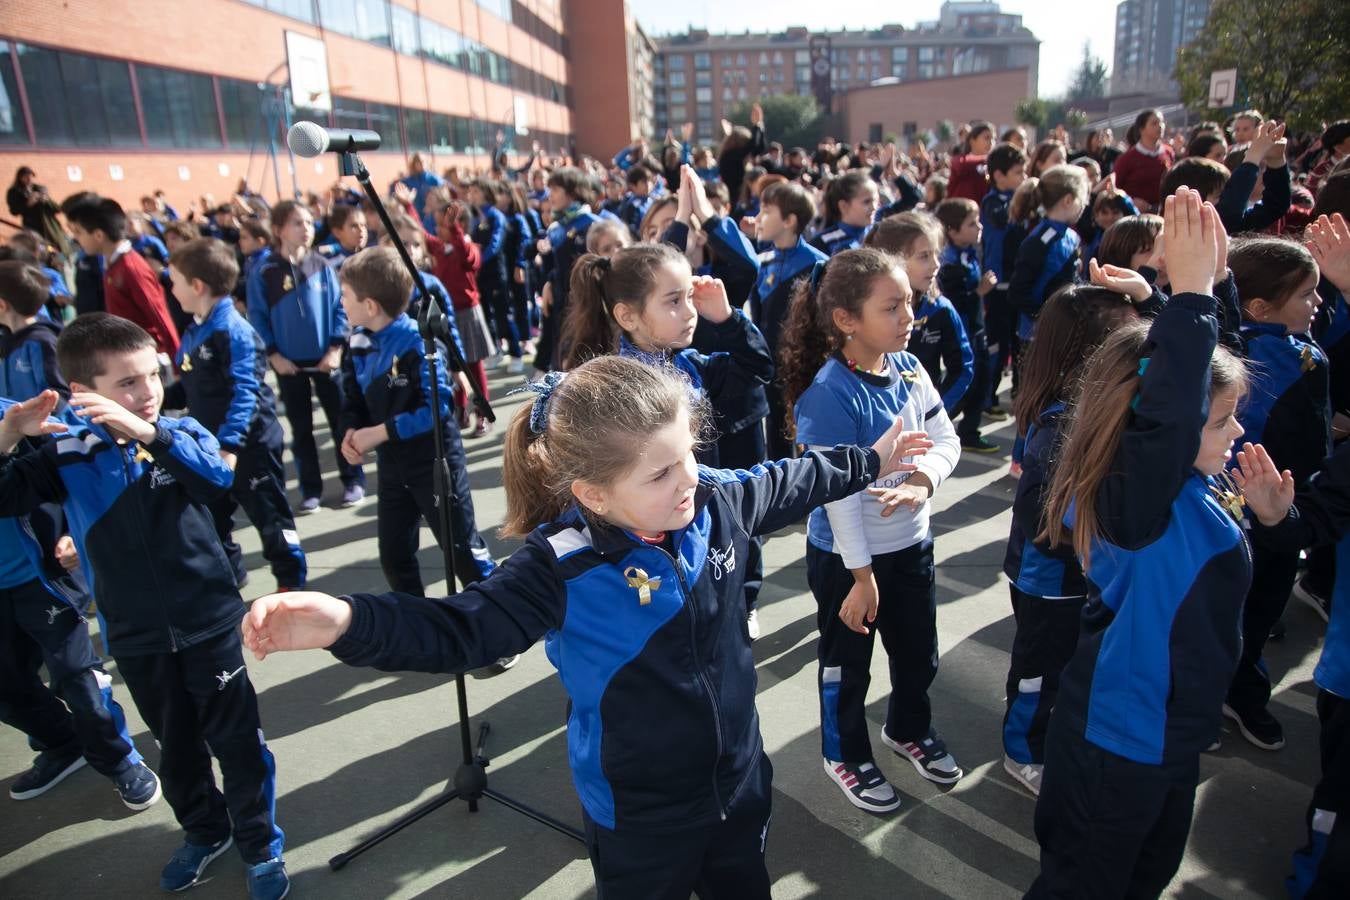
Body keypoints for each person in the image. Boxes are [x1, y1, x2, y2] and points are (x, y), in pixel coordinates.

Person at [240, 354, 932, 898]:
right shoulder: (558, 568)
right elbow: (460, 629)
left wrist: (871, 458)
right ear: (593, 494)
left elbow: (790, 479)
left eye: (689, 454)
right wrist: (347, 621)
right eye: (660, 473)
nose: (688, 479)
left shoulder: (715, 500)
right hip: (637, 814)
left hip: (738, 782)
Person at [0, 317, 288, 899]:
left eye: (153, 375)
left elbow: (214, 484)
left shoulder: (178, 431)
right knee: (175, 745)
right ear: (84, 392)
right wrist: (7, 435)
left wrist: (149, 433)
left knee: (236, 740)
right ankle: (205, 832)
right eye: (128, 383)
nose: (148, 391)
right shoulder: (64, 449)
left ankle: (260, 844)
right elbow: (6, 496)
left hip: (208, 622)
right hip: (133, 635)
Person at [1028, 189, 1250, 897]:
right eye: (1220, 424)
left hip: (1169, 741)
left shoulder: (1182, 488)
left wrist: (1202, 292)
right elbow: (1166, 412)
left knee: (1143, 878)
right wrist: (1188, 303)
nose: (1237, 433)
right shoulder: (1138, 501)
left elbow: (1187, 388)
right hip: (1117, 747)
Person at [779, 247, 963, 812]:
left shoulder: (909, 368)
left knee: (918, 654)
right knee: (846, 667)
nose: (910, 316)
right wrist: (861, 577)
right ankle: (845, 754)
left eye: (910, 302)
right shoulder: (829, 395)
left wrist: (923, 483)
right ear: (846, 320)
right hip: (847, 561)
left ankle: (907, 727)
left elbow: (945, 440)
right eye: (892, 307)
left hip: (911, 546)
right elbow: (838, 500)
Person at [1000, 279, 1142, 797]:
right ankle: (1023, 750)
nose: (1142, 353)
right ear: (1093, 358)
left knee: (1055, 666)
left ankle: (1036, 718)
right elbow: (1059, 517)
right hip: (1049, 580)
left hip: (1073, 577)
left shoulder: (1091, 411)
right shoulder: (1060, 427)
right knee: (1039, 670)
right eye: (1129, 342)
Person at [336, 246, 497, 601]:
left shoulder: (418, 343)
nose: (340, 303)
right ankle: (417, 626)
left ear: (371, 306)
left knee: (462, 551)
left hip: (434, 462)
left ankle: (497, 626)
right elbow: (353, 398)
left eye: (345, 296)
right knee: (393, 555)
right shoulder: (358, 341)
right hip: (394, 467)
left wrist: (378, 433)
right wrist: (350, 432)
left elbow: (438, 409)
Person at [1222, 235, 1328, 751]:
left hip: (1282, 506)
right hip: (1249, 507)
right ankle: (1214, 695)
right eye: (1306, 295)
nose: (1318, 303)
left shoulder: (1305, 352)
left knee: (1261, 606)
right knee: (1238, 605)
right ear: (1261, 306)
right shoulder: (1248, 356)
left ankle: (1242, 690)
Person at [163, 239, 306, 593]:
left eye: (174, 280)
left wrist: (229, 446)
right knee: (211, 518)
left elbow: (247, 393)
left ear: (197, 286)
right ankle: (229, 576)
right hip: (212, 448)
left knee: (270, 516)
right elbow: (193, 385)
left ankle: (291, 581)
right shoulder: (197, 328)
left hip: (248, 448)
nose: (171, 288)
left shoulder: (233, 331)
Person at [246, 199, 365, 513]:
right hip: (289, 366)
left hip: (327, 361)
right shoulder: (264, 271)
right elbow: (257, 318)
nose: (306, 229)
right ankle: (311, 489)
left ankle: (352, 480)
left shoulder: (323, 265)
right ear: (278, 230)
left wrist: (336, 349)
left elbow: (342, 310)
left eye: (310, 223)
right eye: (297, 223)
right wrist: (274, 355)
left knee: (342, 422)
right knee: (301, 430)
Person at [868, 213, 973, 422]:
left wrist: (934, 412)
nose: (936, 265)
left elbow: (962, 368)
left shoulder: (940, 309)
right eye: (924, 256)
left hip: (922, 431)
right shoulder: (866, 307)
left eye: (936, 254)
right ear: (893, 259)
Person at [753, 181, 829, 462]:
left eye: (766, 211)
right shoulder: (761, 261)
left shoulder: (818, 265)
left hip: (806, 365)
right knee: (777, 436)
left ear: (789, 220)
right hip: (771, 366)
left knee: (811, 434)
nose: (759, 218)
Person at [63, 196, 180, 362]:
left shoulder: (131, 268)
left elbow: (160, 316)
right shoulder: (111, 264)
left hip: (148, 357)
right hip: (129, 354)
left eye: (79, 233)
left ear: (98, 235)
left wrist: (179, 366)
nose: (76, 238)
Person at [935, 197, 999, 453]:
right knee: (964, 381)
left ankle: (970, 431)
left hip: (976, 326)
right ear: (952, 230)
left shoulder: (971, 252)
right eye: (971, 224)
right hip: (962, 331)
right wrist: (979, 291)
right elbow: (954, 300)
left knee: (982, 379)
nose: (979, 227)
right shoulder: (948, 262)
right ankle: (939, 425)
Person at [1008, 166, 1089, 344]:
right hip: (1037, 336)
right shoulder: (1039, 241)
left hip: (1064, 330)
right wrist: (1043, 318)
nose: (1084, 205)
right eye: (1082, 199)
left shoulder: (1071, 236)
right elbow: (1017, 291)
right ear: (1068, 200)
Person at [534, 167, 601, 376]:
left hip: (585, 305)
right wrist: (548, 283)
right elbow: (556, 268)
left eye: (555, 189)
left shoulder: (592, 225)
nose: (550, 195)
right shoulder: (557, 226)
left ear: (572, 191)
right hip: (561, 306)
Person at [980, 143, 1028, 420]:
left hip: (1017, 282)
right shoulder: (993, 202)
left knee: (1018, 343)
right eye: (1017, 172)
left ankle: (1020, 394)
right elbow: (1002, 221)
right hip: (998, 285)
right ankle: (989, 396)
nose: (1022, 177)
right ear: (999, 175)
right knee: (998, 346)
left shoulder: (1020, 200)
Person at [0, 262, 67, 415]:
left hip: (41, 433)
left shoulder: (42, 342)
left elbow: (58, 396)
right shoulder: (6, 337)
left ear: (2, 305)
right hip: (13, 431)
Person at [1113, 108, 1174, 212]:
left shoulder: (1168, 153)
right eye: (1154, 123)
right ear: (1141, 129)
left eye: (1161, 122)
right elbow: (1114, 188)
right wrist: (1131, 200)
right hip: (1135, 214)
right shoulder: (1127, 158)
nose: (1160, 126)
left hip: (1163, 212)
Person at [810, 172, 878, 257]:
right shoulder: (823, 243)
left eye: (875, 201)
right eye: (866, 202)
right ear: (844, 206)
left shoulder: (880, 234)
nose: (874, 207)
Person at [946, 121, 994, 203]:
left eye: (993, 138)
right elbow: (960, 166)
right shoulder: (961, 160)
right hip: (960, 210)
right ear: (972, 140)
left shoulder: (992, 162)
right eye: (986, 138)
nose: (991, 142)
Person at [315, 203, 368, 268]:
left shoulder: (373, 256)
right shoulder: (329, 264)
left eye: (364, 225)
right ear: (337, 232)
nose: (361, 230)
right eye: (354, 226)